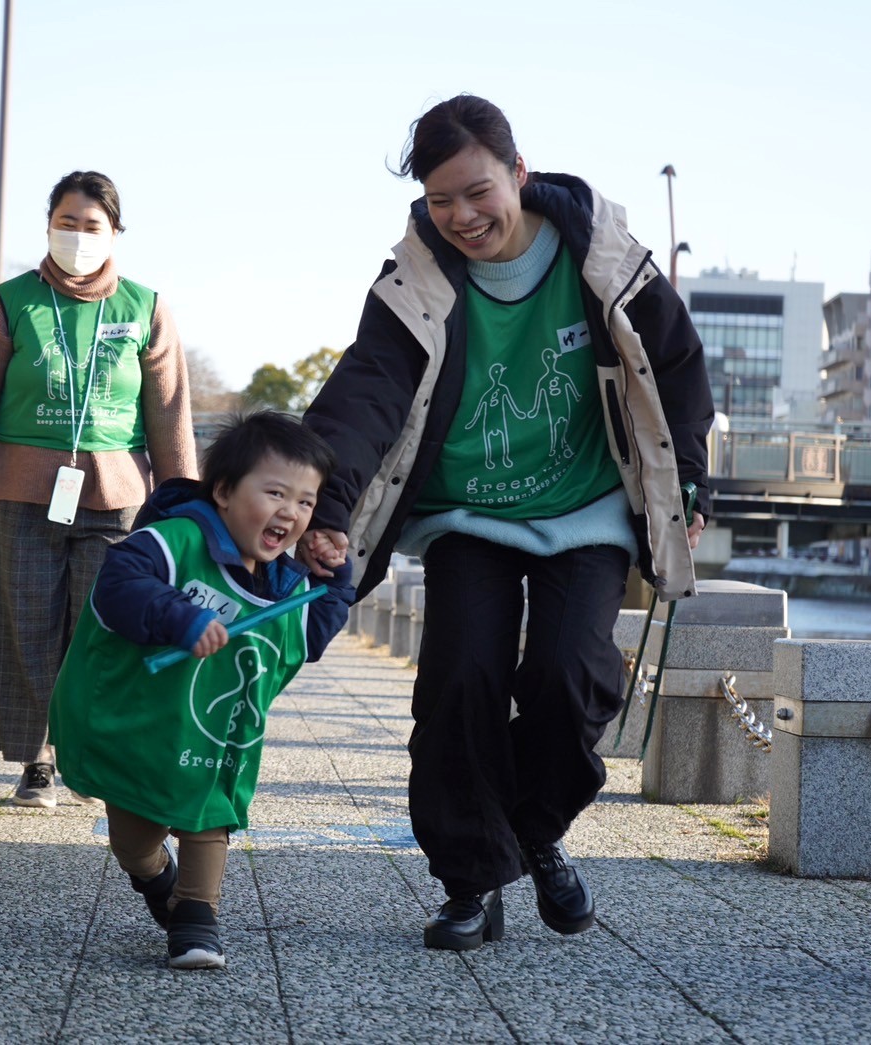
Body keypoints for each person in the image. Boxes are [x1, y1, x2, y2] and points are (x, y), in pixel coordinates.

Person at [300, 95, 715, 951]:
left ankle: (530, 830)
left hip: (587, 507)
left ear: (518, 174)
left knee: (572, 679)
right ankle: (467, 881)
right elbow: (363, 392)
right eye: (439, 200)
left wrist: (692, 486)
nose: (460, 217)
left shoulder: (602, 256)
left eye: (476, 192)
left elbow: (674, 364)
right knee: (459, 682)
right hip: (466, 514)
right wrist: (324, 502)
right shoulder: (413, 280)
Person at [0, 171, 197, 809]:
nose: (78, 236)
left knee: (104, 627)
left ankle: (94, 755)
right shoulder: (9, 302)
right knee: (26, 626)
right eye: (67, 223)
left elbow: (171, 418)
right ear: (49, 225)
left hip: (119, 494)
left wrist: (189, 509)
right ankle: (36, 761)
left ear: (115, 233)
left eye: (92, 226)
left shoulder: (144, 308)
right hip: (22, 488)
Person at [48, 412, 356, 969]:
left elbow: (305, 639)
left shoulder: (285, 582)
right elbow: (120, 586)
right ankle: (154, 875)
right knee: (134, 842)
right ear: (223, 492)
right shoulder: (173, 542)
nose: (291, 512)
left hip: (213, 740)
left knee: (210, 815)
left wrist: (336, 583)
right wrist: (179, 617)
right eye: (275, 493)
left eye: (306, 502)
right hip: (142, 731)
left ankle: (196, 920)